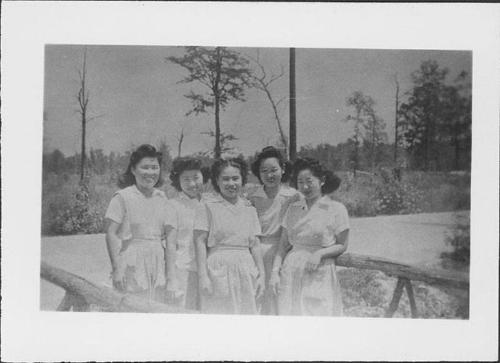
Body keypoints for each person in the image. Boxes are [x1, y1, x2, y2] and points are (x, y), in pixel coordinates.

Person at [269, 157, 349, 316]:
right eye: (300, 182)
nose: (305, 187)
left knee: (318, 317)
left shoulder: (336, 209)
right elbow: (283, 245)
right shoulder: (293, 209)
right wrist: (274, 273)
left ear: (322, 180)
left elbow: (342, 244)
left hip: (319, 270)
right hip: (291, 271)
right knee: (291, 317)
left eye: (309, 181)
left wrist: (320, 254)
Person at [194, 158, 265, 314]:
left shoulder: (249, 208)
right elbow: (200, 242)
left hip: (247, 268)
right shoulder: (207, 206)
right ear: (217, 181)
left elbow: (255, 245)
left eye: (235, 178)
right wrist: (203, 276)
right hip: (218, 268)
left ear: (242, 180)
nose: (231, 183)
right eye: (225, 179)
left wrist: (262, 276)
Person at [104, 144, 169, 302]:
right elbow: (111, 234)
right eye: (145, 168)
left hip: (158, 260)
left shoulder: (162, 197)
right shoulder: (122, 197)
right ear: (133, 170)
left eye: (154, 168)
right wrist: (117, 268)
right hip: (132, 261)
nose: (150, 173)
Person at [248, 146, 299, 314]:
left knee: (282, 298)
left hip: (283, 251)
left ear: (283, 169)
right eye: (264, 171)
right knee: (260, 298)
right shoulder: (253, 197)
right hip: (257, 252)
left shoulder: (293, 196)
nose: (269, 175)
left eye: (274, 170)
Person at [164, 157, 210, 310]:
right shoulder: (173, 205)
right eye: (186, 179)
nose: (192, 184)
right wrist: (171, 278)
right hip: (183, 269)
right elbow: (170, 244)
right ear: (178, 181)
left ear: (203, 176)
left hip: (209, 270)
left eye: (196, 178)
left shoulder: (210, 203)